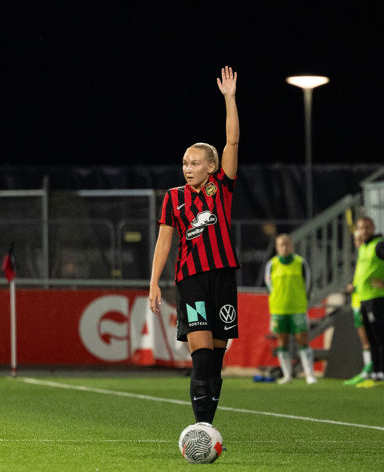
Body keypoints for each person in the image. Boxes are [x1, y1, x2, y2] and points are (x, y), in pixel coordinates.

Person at [149, 66, 239, 426]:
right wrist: (153, 282)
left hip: (224, 278)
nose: (187, 168)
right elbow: (164, 242)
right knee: (201, 356)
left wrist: (229, 100)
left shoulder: (222, 187)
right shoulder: (173, 198)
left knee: (216, 362)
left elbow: (232, 142)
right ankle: (200, 429)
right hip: (192, 280)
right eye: (185, 162)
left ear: (211, 166)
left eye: (194, 162)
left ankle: (208, 429)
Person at [348, 217, 384, 387]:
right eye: (361, 228)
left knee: (380, 335)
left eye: (367, 227)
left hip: (378, 297)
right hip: (364, 297)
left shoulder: (379, 244)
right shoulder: (364, 247)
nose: (364, 230)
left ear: (373, 227)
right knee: (370, 336)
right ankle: (375, 374)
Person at [264, 234, 317, 384]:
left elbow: (308, 284)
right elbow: (269, 286)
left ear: (292, 246)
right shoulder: (272, 265)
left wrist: (302, 301)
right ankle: (287, 375)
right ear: (277, 247)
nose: (284, 247)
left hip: (298, 309)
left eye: (287, 244)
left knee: (303, 340)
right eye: (281, 244)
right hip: (278, 309)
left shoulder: (300, 263)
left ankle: (309, 374)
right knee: (282, 341)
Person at [343, 229, 373, 386]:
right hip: (358, 303)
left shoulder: (371, 256)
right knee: (365, 341)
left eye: (361, 238)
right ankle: (368, 372)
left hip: (369, 303)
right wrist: (352, 286)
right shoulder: (360, 258)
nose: (359, 242)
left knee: (372, 340)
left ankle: (372, 373)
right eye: (356, 240)